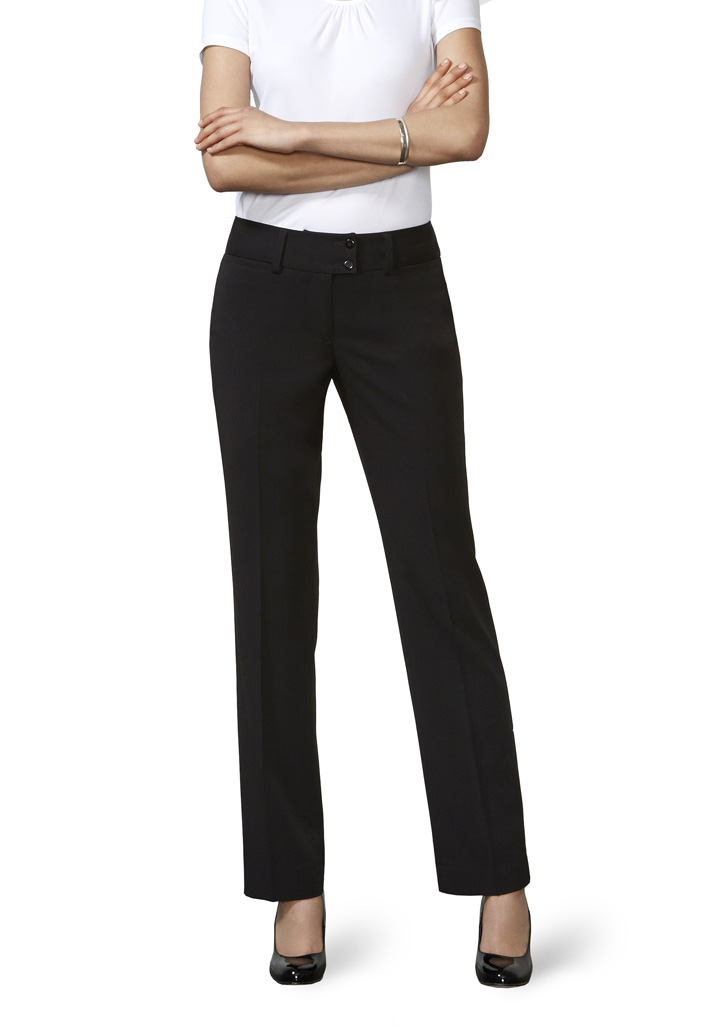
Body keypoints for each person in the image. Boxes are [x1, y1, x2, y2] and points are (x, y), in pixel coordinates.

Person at [195, 0, 533, 987]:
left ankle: (498, 876)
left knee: (440, 579)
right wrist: (397, 137)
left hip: (401, 292)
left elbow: (465, 133)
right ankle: (293, 887)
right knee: (271, 589)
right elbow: (224, 164)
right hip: (264, 293)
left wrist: (290, 133)